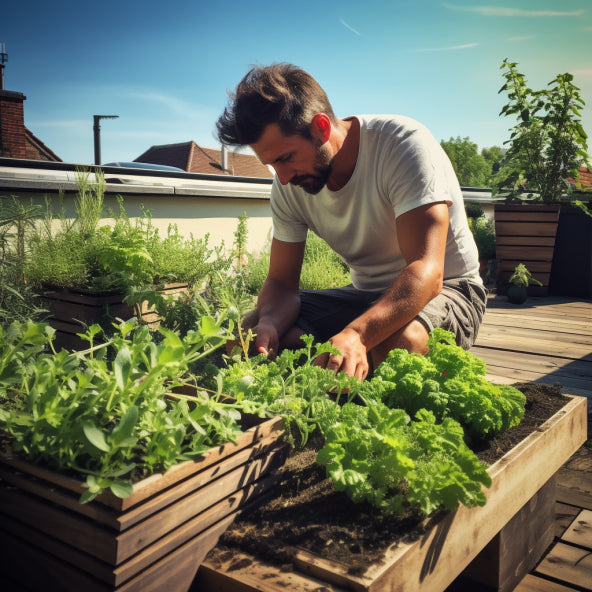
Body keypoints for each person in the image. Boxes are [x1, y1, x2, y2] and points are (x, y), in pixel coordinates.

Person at [216, 63, 487, 381]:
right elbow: (281, 284)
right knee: (249, 336)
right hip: (363, 297)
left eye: (286, 158)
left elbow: (428, 272)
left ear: (321, 127)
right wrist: (270, 324)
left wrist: (357, 335)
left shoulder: (401, 145)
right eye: (272, 164)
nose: (284, 177)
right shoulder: (288, 185)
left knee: (398, 348)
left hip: (450, 289)